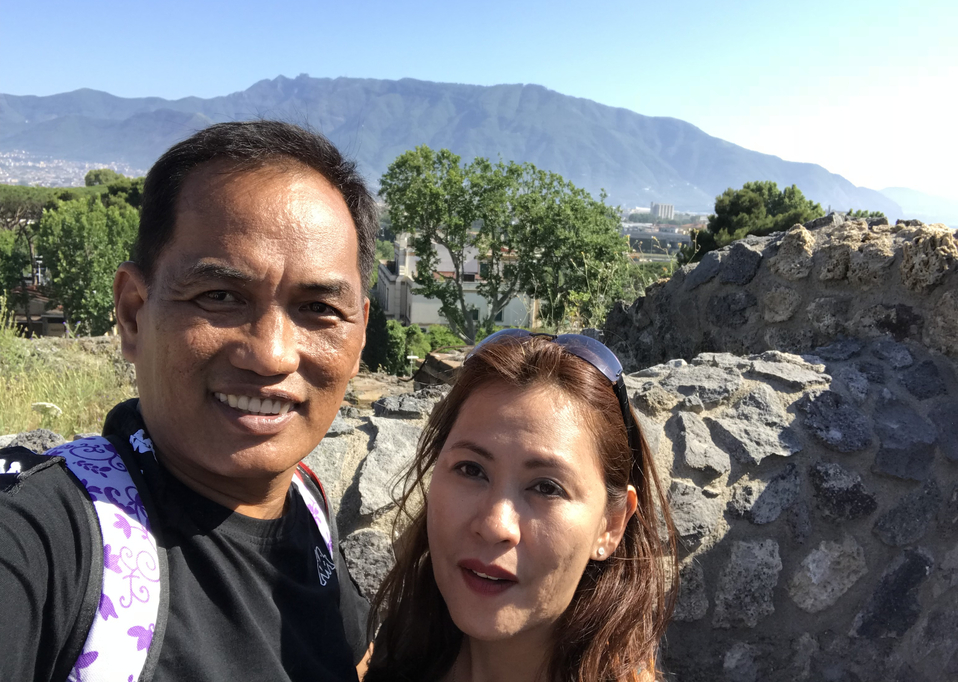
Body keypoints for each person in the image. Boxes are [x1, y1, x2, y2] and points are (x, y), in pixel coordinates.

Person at [0, 121, 377, 681]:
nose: (272, 356)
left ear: (361, 332)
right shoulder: (51, 546)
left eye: (319, 308)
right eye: (220, 296)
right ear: (133, 314)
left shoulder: (304, 501)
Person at [364, 329, 678, 682]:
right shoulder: (385, 661)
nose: (495, 525)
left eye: (546, 487)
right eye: (471, 469)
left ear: (611, 524)